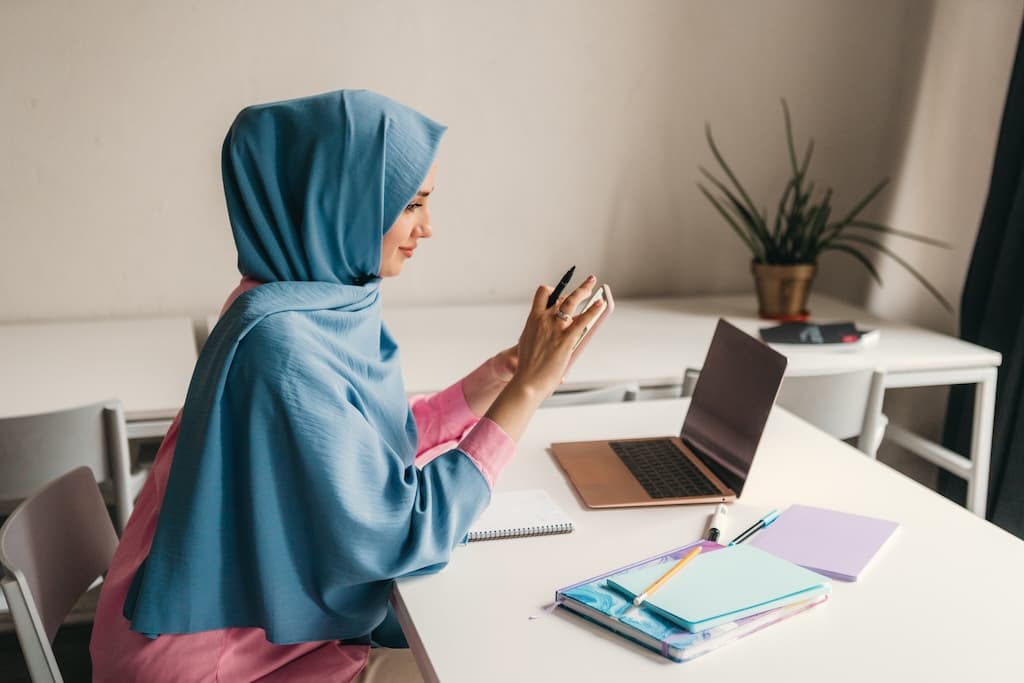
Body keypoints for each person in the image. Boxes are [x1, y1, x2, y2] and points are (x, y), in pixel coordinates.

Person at [89, 89, 604, 682]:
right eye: (413, 205)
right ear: (347, 205)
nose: (429, 228)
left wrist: (504, 375)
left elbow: (364, 451)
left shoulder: (305, 301)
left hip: (226, 628)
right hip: (211, 659)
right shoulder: (280, 345)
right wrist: (528, 395)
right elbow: (403, 531)